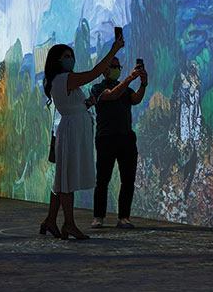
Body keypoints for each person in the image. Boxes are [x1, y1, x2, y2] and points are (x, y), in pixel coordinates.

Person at [39, 37, 123, 240]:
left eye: (71, 55)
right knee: (66, 181)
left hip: (73, 130)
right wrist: (113, 50)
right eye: (66, 56)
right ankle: (68, 224)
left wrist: (87, 104)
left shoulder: (62, 81)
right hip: (71, 132)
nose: (71, 59)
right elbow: (94, 73)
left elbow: (71, 106)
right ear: (57, 60)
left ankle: (51, 220)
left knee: (62, 179)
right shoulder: (64, 79)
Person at [90, 57, 148, 229]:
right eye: (113, 66)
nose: (116, 69)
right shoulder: (97, 88)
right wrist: (130, 78)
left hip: (126, 138)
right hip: (106, 138)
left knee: (128, 180)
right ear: (104, 70)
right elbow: (112, 95)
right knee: (102, 180)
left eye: (118, 67)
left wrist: (143, 84)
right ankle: (98, 217)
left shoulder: (126, 88)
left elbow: (135, 99)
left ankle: (124, 217)